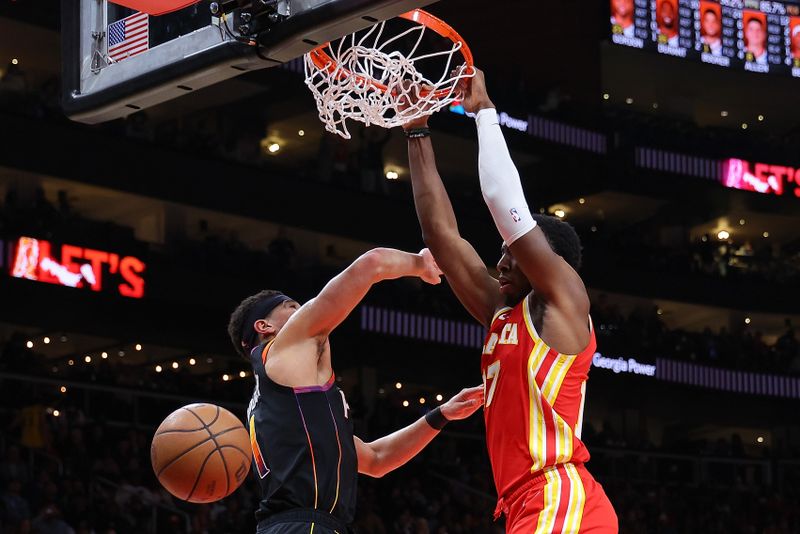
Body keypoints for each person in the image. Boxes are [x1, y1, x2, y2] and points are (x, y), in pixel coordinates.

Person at [403, 69, 617, 532]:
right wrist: (417, 129)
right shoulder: (503, 313)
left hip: (557, 494)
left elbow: (503, 201)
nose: (500, 265)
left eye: (511, 257)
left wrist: (482, 113)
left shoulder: (563, 301)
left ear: (548, 262)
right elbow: (441, 237)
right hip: (524, 501)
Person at [227, 248, 484, 534]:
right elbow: (371, 264)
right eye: (291, 306)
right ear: (264, 326)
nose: (303, 311)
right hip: (305, 525)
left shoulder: (282, 402)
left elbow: (376, 459)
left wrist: (441, 415)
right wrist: (421, 264)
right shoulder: (284, 348)